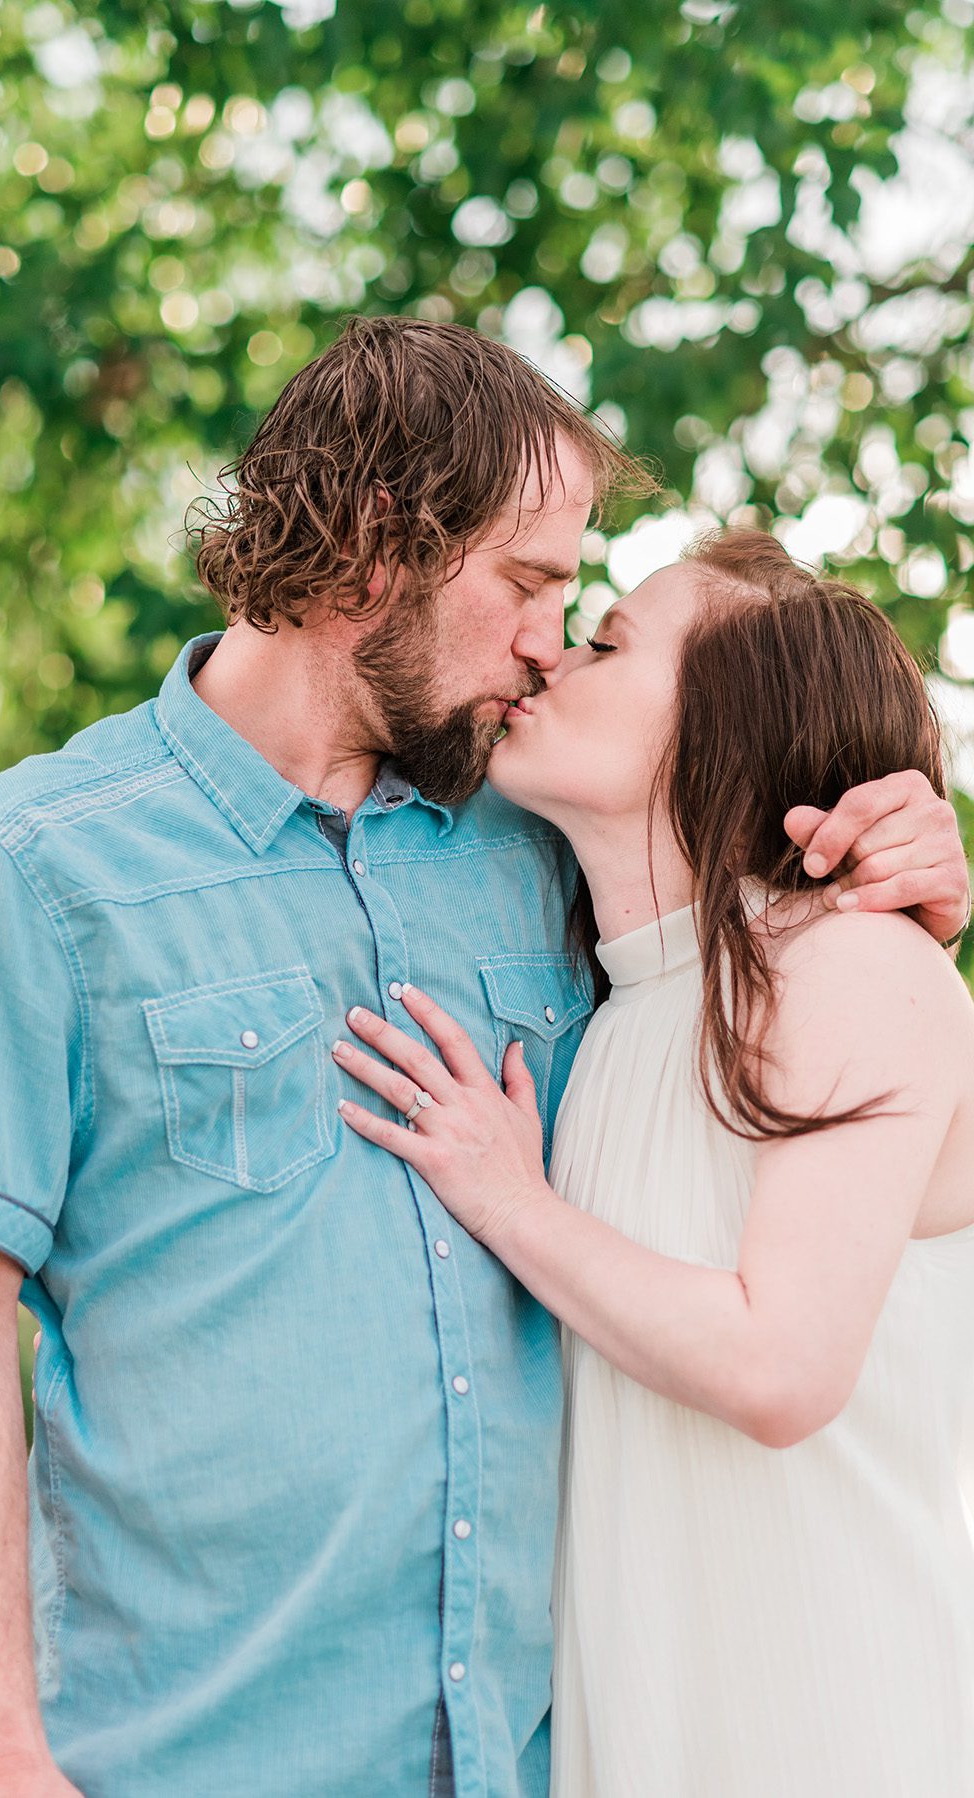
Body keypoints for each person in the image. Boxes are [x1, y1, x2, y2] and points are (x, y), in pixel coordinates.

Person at [0, 320, 969, 1798]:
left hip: (536, 1757)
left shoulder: (536, 847)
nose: (552, 639)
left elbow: (729, 916)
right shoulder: (31, 865)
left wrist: (900, 856)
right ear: (381, 547)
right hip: (193, 1757)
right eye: (532, 583)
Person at [331, 528, 974, 1798]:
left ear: (727, 724)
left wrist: (509, 1200)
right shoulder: (619, 1012)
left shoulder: (849, 962)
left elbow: (779, 1365)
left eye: (609, 642)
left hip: (846, 1745)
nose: (553, 657)